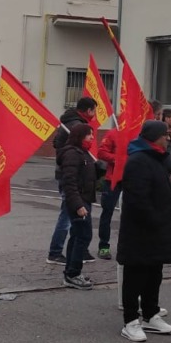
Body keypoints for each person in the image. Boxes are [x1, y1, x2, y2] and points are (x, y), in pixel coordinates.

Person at [117, 121, 171, 341]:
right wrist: (154, 219)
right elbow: (137, 199)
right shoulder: (138, 161)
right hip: (141, 230)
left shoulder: (156, 158)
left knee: (154, 273)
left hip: (158, 229)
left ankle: (151, 314)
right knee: (136, 275)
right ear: (155, 137)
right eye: (165, 135)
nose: (168, 139)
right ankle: (130, 321)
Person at [46, 97, 99, 265]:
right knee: (67, 215)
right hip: (73, 175)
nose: (91, 137)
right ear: (89, 110)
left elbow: (55, 142)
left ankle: (80, 251)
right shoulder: (75, 126)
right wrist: (72, 154)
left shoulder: (68, 122)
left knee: (76, 218)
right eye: (94, 111)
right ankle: (55, 252)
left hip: (73, 172)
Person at [59, 123, 101, 289]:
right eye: (89, 135)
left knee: (77, 236)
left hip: (84, 200)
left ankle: (71, 271)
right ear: (80, 136)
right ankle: (73, 273)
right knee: (83, 236)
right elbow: (69, 182)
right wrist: (78, 205)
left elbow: (85, 176)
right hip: (79, 202)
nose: (92, 137)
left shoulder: (82, 153)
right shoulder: (72, 154)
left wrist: (99, 171)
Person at [95, 129, 119, 259]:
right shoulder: (113, 133)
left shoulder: (138, 132)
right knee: (107, 213)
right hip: (113, 180)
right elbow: (101, 152)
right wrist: (117, 159)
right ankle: (103, 246)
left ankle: (127, 246)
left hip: (132, 179)